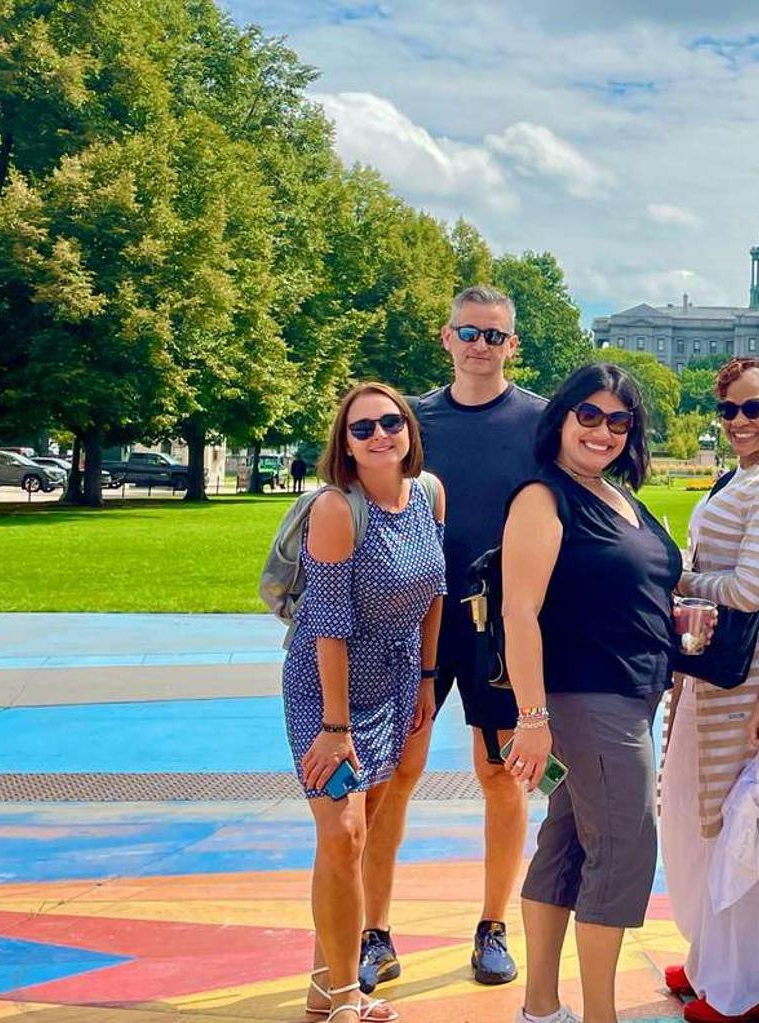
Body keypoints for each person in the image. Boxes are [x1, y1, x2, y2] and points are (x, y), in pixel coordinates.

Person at [361, 286, 547, 992]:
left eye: (494, 335)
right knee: (394, 775)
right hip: (416, 620)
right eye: (469, 332)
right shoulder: (409, 420)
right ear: (446, 337)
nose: (480, 345)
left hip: (503, 625)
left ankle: (493, 924)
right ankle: (375, 930)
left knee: (501, 773)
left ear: (512, 345)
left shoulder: (538, 421)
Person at [502, 363, 699, 1023]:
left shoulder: (620, 498)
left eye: (619, 420)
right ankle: (600, 1016)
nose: (603, 430)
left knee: (567, 844)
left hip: (631, 694)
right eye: (589, 414)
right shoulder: (544, 496)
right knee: (623, 843)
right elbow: (519, 612)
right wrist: (532, 717)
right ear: (560, 415)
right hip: (588, 696)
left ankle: (540, 1006)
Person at [286, 382, 447, 1023]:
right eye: (363, 428)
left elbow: (434, 594)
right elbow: (327, 623)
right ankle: (348, 992)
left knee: (363, 834)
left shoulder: (429, 494)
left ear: (409, 429)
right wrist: (333, 726)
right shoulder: (334, 507)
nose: (380, 434)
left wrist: (429, 680)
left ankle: (323, 988)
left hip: (398, 681)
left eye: (391, 422)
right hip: (327, 690)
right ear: (344, 444)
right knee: (343, 834)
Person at [661, 357, 759, 1023]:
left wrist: (678, 582)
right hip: (714, 663)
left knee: (741, 814)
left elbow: (750, 589)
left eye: (754, 408)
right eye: (729, 410)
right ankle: (712, 958)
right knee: (702, 804)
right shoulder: (743, 474)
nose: (740, 421)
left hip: (745, 668)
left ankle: (753, 981)